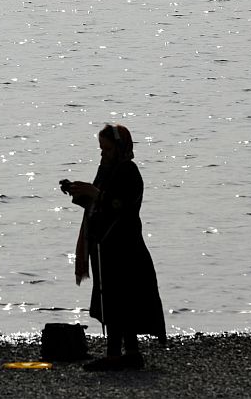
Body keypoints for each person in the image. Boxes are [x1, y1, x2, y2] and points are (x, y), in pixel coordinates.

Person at [65, 124, 166, 371]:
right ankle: (130, 353)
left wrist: (94, 193)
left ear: (120, 148)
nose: (103, 154)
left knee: (120, 301)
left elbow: (119, 204)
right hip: (105, 246)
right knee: (115, 300)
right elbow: (98, 203)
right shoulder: (107, 170)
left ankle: (115, 355)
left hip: (125, 247)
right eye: (101, 149)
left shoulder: (129, 172)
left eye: (107, 149)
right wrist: (78, 192)